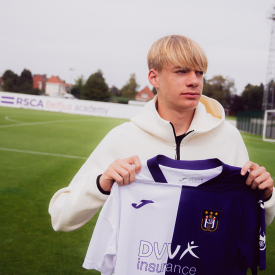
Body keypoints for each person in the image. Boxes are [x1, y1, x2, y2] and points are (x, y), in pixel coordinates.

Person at [49, 35, 275, 233]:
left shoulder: (228, 138)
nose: (194, 81)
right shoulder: (124, 137)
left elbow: (254, 223)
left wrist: (265, 196)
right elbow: (61, 218)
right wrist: (101, 184)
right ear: (153, 78)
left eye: (199, 72)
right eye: (181, 71)